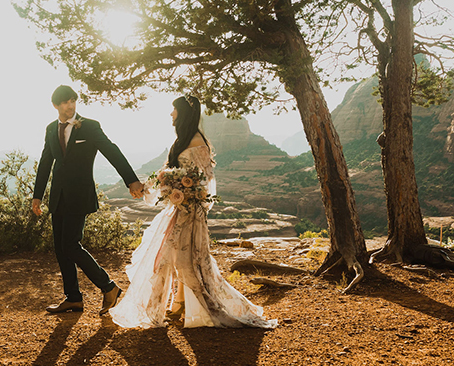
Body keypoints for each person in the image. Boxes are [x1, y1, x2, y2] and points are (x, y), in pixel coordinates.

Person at [109, 95, 277, 329]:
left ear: (183, 113)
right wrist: (152, 186)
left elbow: (205, 178)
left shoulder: (197, 141)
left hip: (190, 210)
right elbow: (167, 171)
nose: (171, 114)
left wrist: (185, 192)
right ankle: (179, 303)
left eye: (173, 110)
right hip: (179, 209)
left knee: (187, 260)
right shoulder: (181, 139)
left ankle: (188, 303)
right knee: (174, 256)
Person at [32, 85, 145, 315]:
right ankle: (73, 298)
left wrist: (131, 180)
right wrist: (37, 195)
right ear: (55, 105)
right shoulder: (50, 129)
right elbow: (46, 162)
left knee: (71, 245)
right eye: (65, 102)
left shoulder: (90, 126)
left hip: (79, 195)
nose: (70, 105)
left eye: (73, 100)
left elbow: (112, 151)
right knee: (60, 249)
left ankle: (109, 287)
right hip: (58, 197)